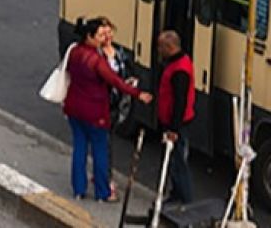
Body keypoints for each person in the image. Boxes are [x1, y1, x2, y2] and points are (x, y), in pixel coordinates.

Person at [63, 17, 152, 202]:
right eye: (99, 35)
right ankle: (102, 192)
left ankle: (79, 189)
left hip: (74, 106)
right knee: (100, 151)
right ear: (89, 36)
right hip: (95, 111)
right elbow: (116, 81)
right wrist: (138, 94)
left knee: (79, 148)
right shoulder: (96, 60)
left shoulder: (74, 52)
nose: (103, 39)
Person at [156, 30, 196, 205]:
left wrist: (174, 129)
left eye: (161, 46)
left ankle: (185, 200)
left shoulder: (179, 70)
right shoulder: (179, 62)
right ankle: (176, 194)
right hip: (174, 122)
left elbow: (180, 101)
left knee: (179, 162)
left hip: (177, 124)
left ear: (169, 47)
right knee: (174, 162)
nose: (158, 50)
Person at [97, 18, 135, 202]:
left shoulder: (119, 54)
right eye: (103, 33)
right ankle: (105, 184)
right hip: (98, 105)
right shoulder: (94, 55)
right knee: (104, 145)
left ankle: (102, 176)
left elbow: (126, 73)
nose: (107, 36)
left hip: (114, 105)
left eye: (110, 32)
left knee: (106, 142)